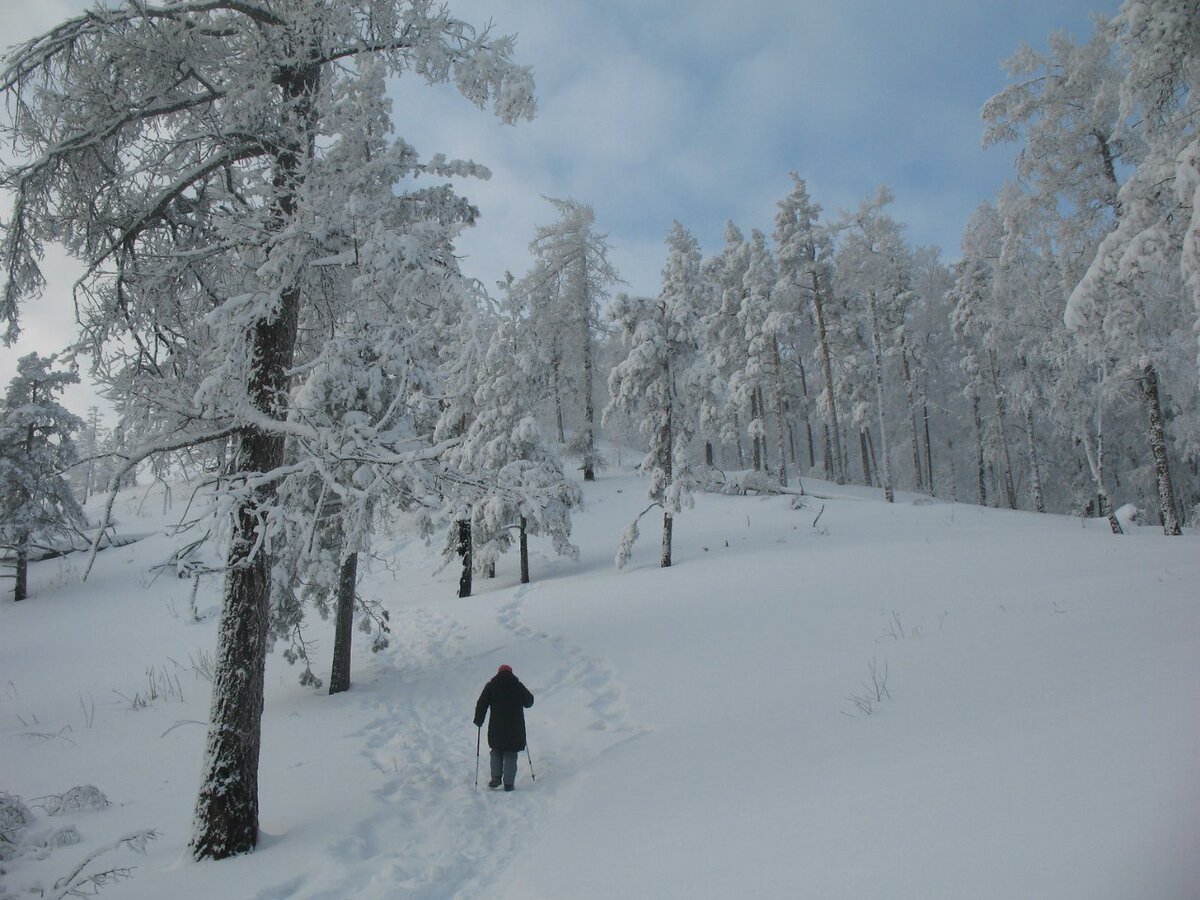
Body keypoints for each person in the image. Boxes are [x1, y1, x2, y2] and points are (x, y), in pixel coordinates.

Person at [473, 664, 534, 791]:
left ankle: (495, 778)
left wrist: (479, 720)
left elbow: (481, 704)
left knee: (496, 750)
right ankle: (508, 784)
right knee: (511, 753)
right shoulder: (517, 686)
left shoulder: (491, 686)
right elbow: (529, 701)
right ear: (511, 673)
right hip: (515, 727)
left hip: (496, 726)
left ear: (498, 673)